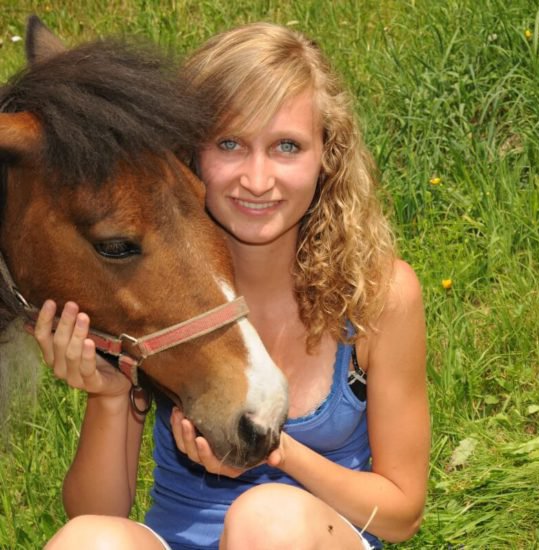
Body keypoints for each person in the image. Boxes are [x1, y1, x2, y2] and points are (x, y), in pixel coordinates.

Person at [36, 22, 429, 550]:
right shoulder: (157, 287)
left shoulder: (378, 294)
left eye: (286, 146)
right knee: (86, 542)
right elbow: (97, 513)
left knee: (266, 520)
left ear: (326, 156)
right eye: (230, 144)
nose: (258, 179)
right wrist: (109, 397)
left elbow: (401, 515)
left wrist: (275, 452)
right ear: (192, 154)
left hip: (308, 537)